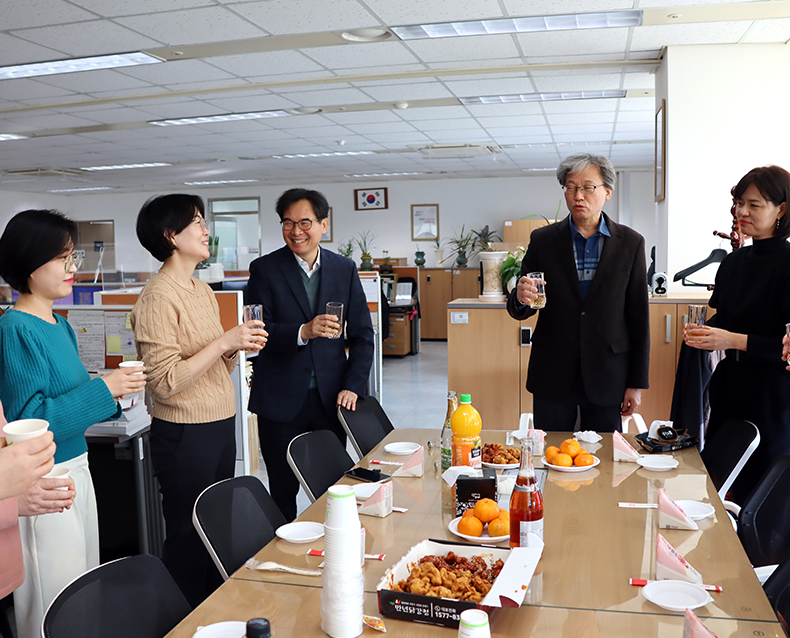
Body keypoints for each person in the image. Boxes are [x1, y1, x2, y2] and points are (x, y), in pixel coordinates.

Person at [0, 209, 142, 638]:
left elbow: (72, 400)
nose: (72, 269)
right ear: (29, 261)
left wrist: (117, 396)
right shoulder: (13, 328)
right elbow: (31, 423)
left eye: (72, 257)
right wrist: (106, 389)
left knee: (83, 591)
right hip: (43, 480)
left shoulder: (60, 325)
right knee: (51, 606)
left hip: (78, 467)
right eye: (62, 258)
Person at [131, 194, 267, 606]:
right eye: (196, 223)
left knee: (216, 530)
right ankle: (182, 623)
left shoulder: (202, 290)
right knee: (190, 541)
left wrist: (233, 350)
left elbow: (211, 369)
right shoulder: (158, 297)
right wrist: (225, 340)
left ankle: (214, 616)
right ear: (171, 235)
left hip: (219, 425)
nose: (207, 230)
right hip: (185, 435)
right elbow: (164, 382)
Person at [246, 188, 374, 520]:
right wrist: (303, 331)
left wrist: (353, 385)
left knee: (333, 485)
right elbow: (258, 331)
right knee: (282, 488)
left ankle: (333, 548)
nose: (296, 231)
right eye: (287, 223)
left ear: (323, 225)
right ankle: (284, 560)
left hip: (331, 397)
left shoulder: (343, 269)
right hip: (279, 398)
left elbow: (362, 336)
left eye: (305, 222)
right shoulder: (264, 269)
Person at [507, 153, 650, 432]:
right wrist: (521, 297)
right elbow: (521, 305)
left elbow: (638, 319)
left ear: (607, 192)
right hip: (553, 371)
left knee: (604, 460)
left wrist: (636, 383)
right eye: (570, 187)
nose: (577, 195)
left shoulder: (631, 243)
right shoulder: (543, 240)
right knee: (550, 454)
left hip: (608, 374)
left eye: (587, 187)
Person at [685, 165, 790, 502]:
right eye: (738, 202)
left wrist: (729, 340)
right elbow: (726, 317)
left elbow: (783, 347)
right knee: (718, 485)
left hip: (773, 393)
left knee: (760, 495)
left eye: (754, 205)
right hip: (730, 385)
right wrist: (706, 331)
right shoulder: (733, 262)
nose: (742, 212)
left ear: (781, 210)